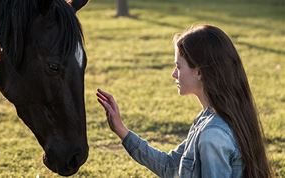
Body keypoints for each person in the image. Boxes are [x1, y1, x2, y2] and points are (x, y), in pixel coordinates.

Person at [96, 24, 272, 178]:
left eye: (178, 66)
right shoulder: (208, 118)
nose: (173, 74)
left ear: (199, 72)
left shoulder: (212, 135)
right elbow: (170, 167)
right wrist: (121, 130)